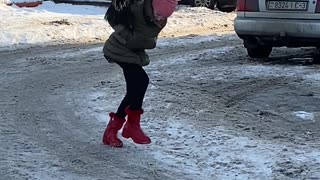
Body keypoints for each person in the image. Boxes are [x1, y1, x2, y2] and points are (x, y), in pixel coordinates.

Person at [102, 0, 177, 147]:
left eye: (164, 17)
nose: (160, 19)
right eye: (158, 15)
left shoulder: (160, 20)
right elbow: (113, 18)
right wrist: (128, 37)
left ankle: (113, 130)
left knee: (134, 90)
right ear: (152, 7)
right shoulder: (136, 9)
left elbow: (147, 39)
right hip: (118, 49)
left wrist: (146, 42)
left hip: (133, 52)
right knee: (141, 81)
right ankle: (131, 126)